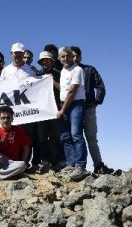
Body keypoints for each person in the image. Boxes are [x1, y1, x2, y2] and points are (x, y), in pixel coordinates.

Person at [71, 46, 117, 176]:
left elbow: (100, 86)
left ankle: (98, 165)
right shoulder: (67, 72)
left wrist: (96, 101)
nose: (74, 59)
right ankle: (77, 166)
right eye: (71, 56)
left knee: (91, 139)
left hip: (88, 109)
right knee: (75, 137)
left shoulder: (89, 70)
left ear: (79, 57)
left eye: (75, 56)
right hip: (73, 110)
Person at [56, 47, 91, 181]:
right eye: (63, 56)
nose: (66, 59)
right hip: (64, 104)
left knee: (76, 134)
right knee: (65, 135)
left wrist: (62, 110)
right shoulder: (64, 71)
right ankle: (71, 163)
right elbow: (64, 89)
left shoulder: (78, 70)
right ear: (59, 58)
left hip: (75, 104)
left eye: (68, 56)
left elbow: (72, 91)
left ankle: (80, 166)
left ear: (73, 57)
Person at [34, 51, 63, 171]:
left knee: (59, 136)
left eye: (46, 60)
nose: (44, 62)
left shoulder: (59, 74)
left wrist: (52, 80)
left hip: (56, 109)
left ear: (52, 61)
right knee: (42, 138)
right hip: (42, 111)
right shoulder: (37, 76)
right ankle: (45, 161)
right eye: (42, 61)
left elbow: (64, 89)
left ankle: (62, 161)